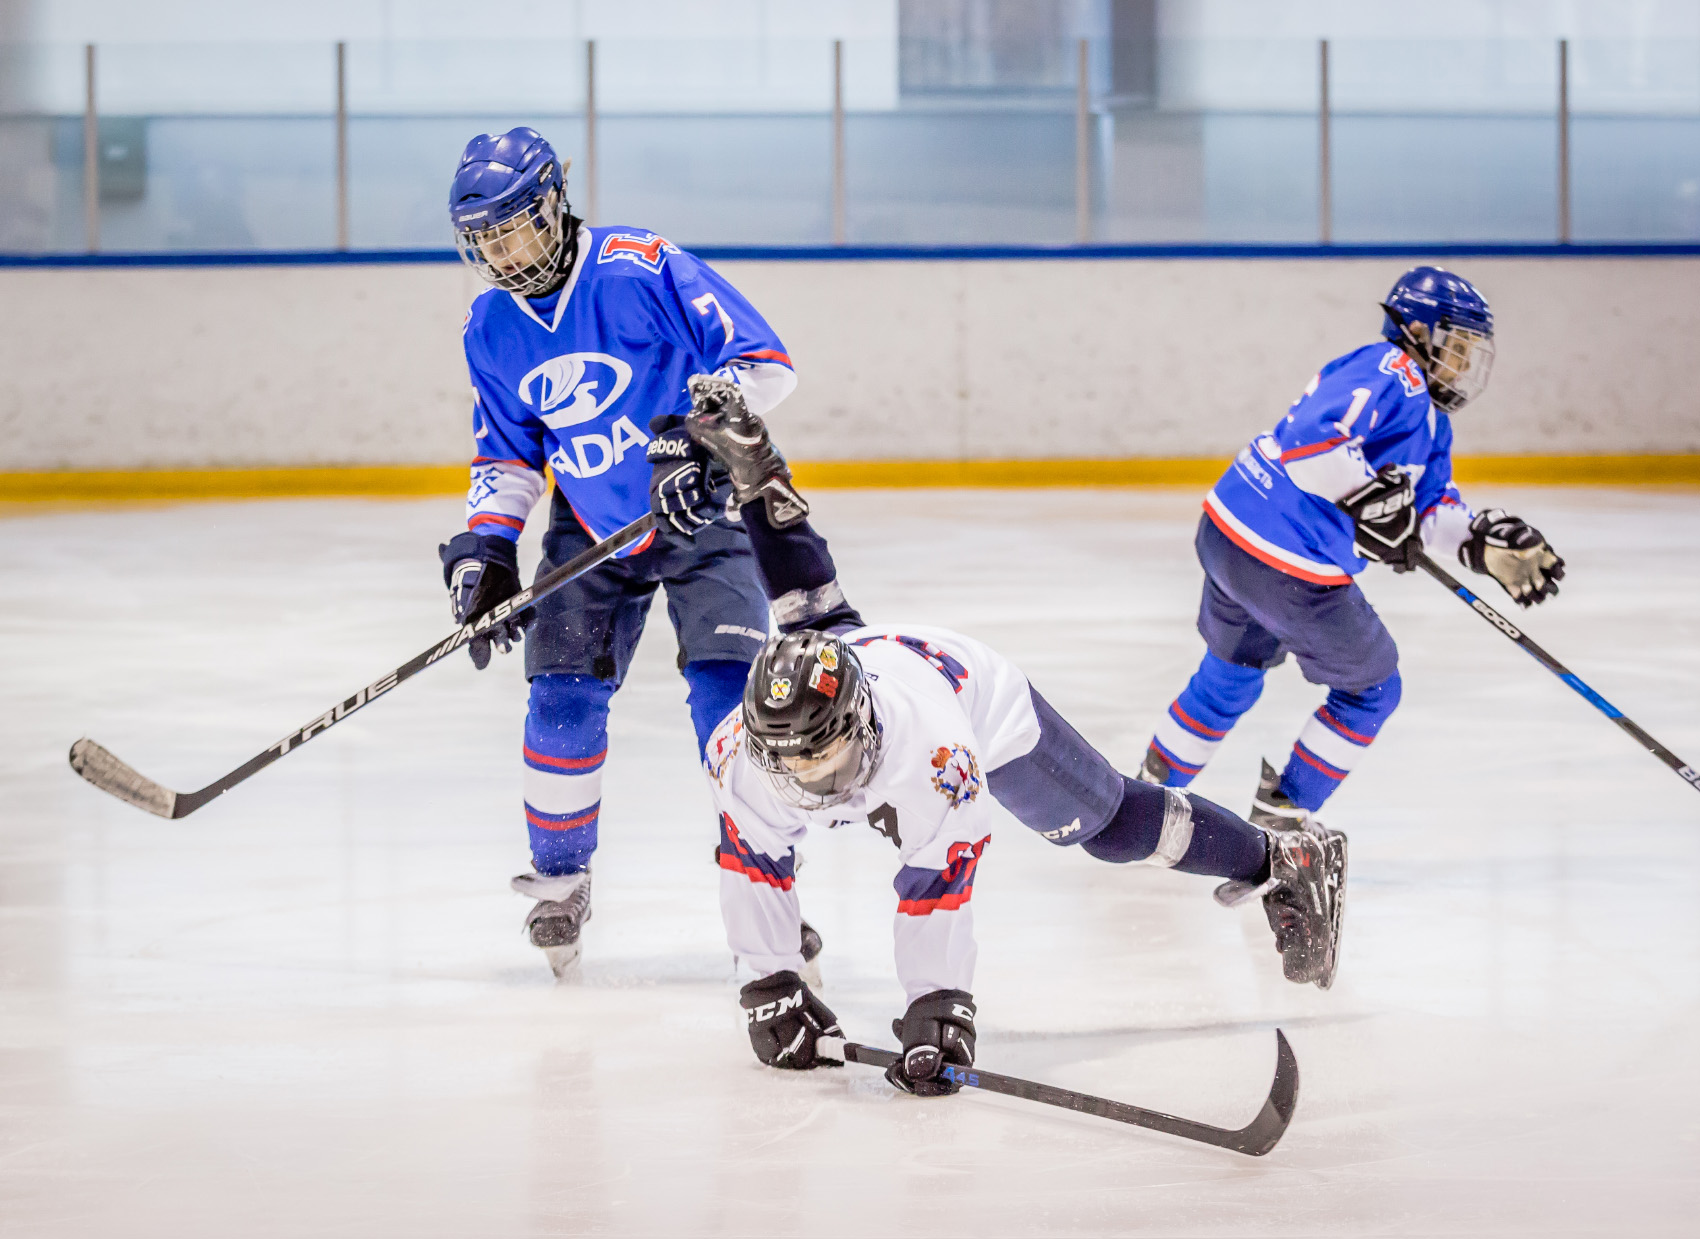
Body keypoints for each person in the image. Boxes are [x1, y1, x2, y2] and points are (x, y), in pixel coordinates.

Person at [649, 376, 1348, 1095]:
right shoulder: (742, 753)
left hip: (971, 692)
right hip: (861, 652)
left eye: (826, 751)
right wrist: (767, 979)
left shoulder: (932, 754)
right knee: (812, 613)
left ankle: (1280, 857)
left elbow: (936, 886)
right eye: (792, 759)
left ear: (860, 725)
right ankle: (759, 474)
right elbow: (751, 862)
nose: (813, 777)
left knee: (1106, 823)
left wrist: (938, 1005)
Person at [439, 127, 815, 976]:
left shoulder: (641, 265)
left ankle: (769, 883)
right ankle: (561, 882)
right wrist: (487, 551)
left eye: (518, 226)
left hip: (706, 511)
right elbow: (505, 451)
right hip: (592, 530)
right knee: (559, 698)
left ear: (555, 204)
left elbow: (765, 362)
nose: (506, 249)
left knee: (728, 704)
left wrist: (698, 435)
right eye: (487, 237)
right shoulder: (491, 324)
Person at [1137, 267, 1566, 829]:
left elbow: (1430, 510)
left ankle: (1146, 806)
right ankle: (1282, 825)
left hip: (1228, 533)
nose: (1462, 366)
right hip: (1286, 562)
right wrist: (1369, 500)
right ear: (1416, 328)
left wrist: (1482, 546)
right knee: (1372, 690)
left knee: (1231, 672)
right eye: (1457, 348)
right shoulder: (1394, 372)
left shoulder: (1430, 421)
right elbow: (1311, 445)